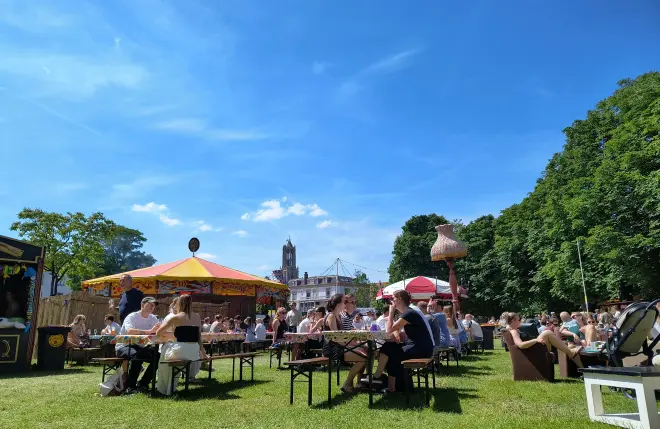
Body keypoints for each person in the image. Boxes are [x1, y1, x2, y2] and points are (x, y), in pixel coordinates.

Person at [375, 290, 434, 394]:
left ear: (400, 299)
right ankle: (388, 384)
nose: (391, 302)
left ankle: (379, 379)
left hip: (422, 349)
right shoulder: (407, 313)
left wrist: (391, 312)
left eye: (393, 299)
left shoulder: (409, 313)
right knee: (389, 348)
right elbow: (396, 332)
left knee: (391, 351)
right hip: (419, 346)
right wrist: (398, 336)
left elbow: (389, 330)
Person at [312, 294, 367, 394]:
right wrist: (350, 345)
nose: (345, 304)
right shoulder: (332, 316)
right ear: (338, 304)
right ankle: (348, 383)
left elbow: (339, 337)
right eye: (344, 302)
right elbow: (336, 337)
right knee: (363, 358)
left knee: (364, 355)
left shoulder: (337, 316)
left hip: (338, 347)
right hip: (332, 350)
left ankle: (351, 384)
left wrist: (351, 343)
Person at [155, 295, 207, 395]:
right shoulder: (197, 317)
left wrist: (171, 335)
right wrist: (203, 353)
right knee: (169, 351)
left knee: (164, 351)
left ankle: (165, 388)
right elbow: (198, 337)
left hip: (180, 351)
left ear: (179, 304)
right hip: (193, 352)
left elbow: (158, 332)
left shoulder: (175, 318)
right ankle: (170, 387)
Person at [115, 297, 161, 394]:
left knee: (158, 357)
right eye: (150, 305)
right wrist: (149, 332)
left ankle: (143, 384)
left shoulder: (153, 318)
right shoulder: (132, 316)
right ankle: (130, 387)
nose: (152, 307)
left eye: (154, 306)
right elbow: (129, 331)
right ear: (142, 304)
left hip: (141, 346)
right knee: (137, 356)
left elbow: (158, 332)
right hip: (124, 345)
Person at [506, 312, 583, 368]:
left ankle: (583, 370)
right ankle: (570, 352)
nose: (521, 321)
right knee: (547, 333)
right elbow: (521, 345)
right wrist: (536, 340)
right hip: (530, 353)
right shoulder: (513, 331)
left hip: (532, 350)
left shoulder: (515, 330)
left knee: (548, 333)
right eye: (519, 320)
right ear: (513, 321)